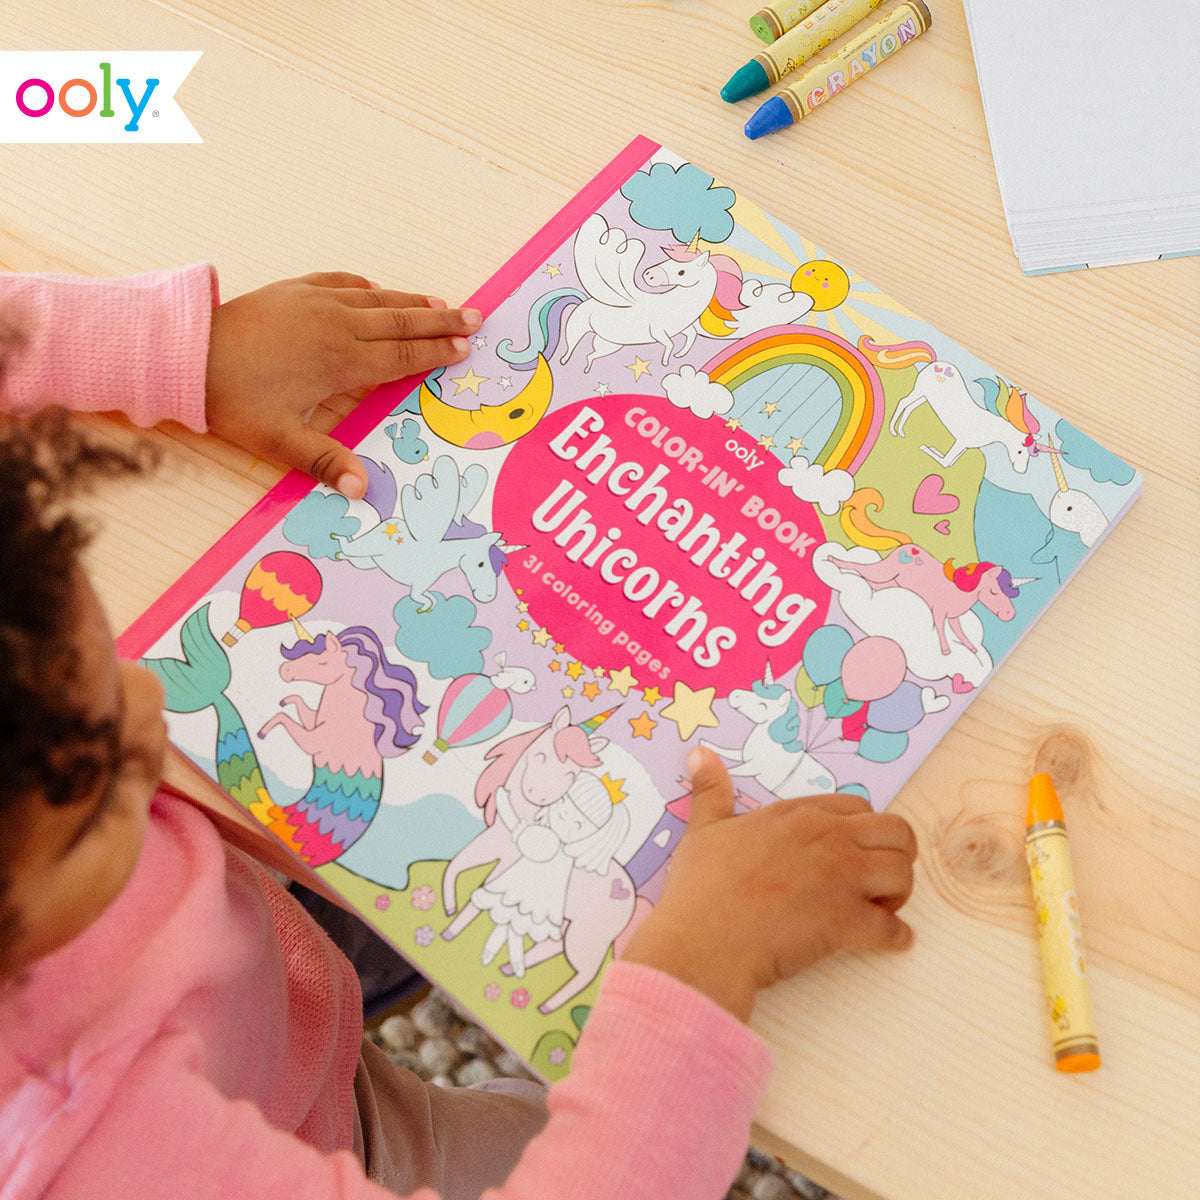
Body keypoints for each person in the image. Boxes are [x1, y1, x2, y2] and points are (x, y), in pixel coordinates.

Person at [0, 263, 919, 1200]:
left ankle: (359, 968)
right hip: (333, 1134)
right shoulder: (94, 1157)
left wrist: (181, 350)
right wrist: (703, 966)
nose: (148, 704)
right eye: (95, 795)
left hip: (264, 979)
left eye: (99, 663)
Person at [474, 773, 631, 977]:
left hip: (534, 893)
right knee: (510, 923)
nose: (564, 820)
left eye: (578, 825)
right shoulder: (554, 842)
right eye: (563, 809)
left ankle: (507, 960)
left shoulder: (550, 842)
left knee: (513, 925)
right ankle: (506, 960)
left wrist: (503, 802)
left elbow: (517, 830)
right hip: (531, 887)